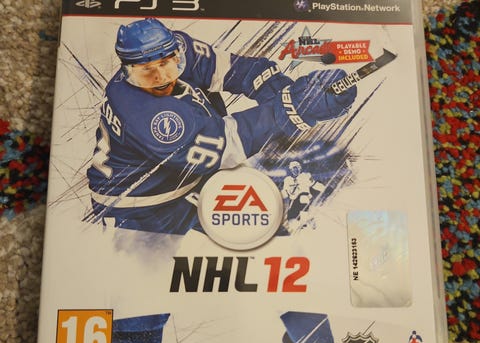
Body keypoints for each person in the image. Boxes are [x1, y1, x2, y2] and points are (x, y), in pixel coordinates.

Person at [86, 18, 357, 235]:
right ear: (127, 69)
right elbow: (226, 145)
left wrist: (290, 91)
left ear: (175, 52)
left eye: (166, 63)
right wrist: (295, 107)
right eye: (146, 70)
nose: (161, 77)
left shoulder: (179, 47)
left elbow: (236, 70)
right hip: (139, 210)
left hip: (184, 182)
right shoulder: (144, 113)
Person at [281, 160, 325, 231]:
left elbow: (313, 184)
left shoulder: (305, 176)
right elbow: (285, 192)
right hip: (294, 201)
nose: (295, 170)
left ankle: (305, 221)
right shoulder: (287, 180)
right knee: (291, 220)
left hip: (304, 197)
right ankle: (307, 221)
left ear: (300, 168)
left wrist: (323, 188)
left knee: (303, 198)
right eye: (293, 169)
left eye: (297, 168)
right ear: (291, 170)